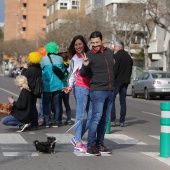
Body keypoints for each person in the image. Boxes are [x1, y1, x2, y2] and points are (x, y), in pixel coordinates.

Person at [80, 31, 114, 156]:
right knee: (96, 118)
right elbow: (83, 74)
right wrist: (85, 66)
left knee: (105, 119)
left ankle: (100, 144)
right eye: (93, 43)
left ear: (102, 41)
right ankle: (91, 145)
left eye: (97, 42)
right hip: (98, 91)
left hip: (110, 91)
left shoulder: (109, 52)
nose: (95, 45)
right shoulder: (89, 55)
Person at [63, 35, 92, 153]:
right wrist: (70, 86)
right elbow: (72, 75)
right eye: (76, 45)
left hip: (92, 88)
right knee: (80, 116)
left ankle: (76, 137)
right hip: (80, 88)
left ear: (84, 44)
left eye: (80, 44)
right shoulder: (74, 59)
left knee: (92, 116)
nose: (78, 46)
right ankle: (78, 142)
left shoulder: (90, 55)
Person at [40, 42, 63, 127]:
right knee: (57, 103)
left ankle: (46, 120)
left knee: (46, 103)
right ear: (56, 49)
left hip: (47, 85)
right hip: (58, 85)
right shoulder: (60, 59)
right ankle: (56, 121)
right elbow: (62, 70)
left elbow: (41, 69)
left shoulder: (44, 59)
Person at [111, 40, 133, 127]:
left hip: (117, 81)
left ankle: (113, 119)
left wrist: (111, 80)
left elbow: (114, 70)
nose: (114, 48)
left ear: (119, 47)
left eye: (115, 46)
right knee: (122, 101)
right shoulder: (129, 57)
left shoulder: (116, 56)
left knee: (111, 99)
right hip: (125, 81)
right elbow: (130, 70)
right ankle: (122, 120)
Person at [21, 52, 42, 130]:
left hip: (29, 90)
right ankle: (35, 124)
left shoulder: (30, 69)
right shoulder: (39, 68)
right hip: (36, 91)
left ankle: (33, 124)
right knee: (33, 107)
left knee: (31, 108)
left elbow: (22, 77)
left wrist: (24, 69)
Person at [57, 51, 72, 126]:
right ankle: (68, 119)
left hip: (60, 87)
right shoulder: (69, 65)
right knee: (67, 104)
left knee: (59, 104)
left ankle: (59, 120)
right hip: (66, 86)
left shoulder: (60, 66)